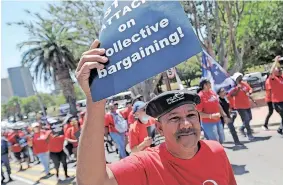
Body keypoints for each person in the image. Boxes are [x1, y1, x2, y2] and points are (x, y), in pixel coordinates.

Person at [75, 40, 237, 185]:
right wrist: (94, 100)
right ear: (159, 128)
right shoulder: (146, 164)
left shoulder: (217, 151)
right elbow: (92, 182)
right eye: (174, 118)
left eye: (191, 115)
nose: (186, 124)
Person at [196, 78, 227, 144]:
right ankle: (217, 152)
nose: (210, 84)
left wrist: (224, 115)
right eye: (209, 83)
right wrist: (211, 116)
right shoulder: (200, 96)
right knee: (214, 141)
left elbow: (218, 104)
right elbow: (198, 113)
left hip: (218, 120)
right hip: (208, 123)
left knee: (222, 139)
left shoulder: (212, 92)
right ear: (205, 85)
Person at [228, 72, 254, 140]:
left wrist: (250, 92)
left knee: (250, 118)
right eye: (239, 77)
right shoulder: (234, 86)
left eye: (241, 77)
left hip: (247, 104)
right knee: (246, 119)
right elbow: (232, 94)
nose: (240, 78)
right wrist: (238, 89)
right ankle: (249, 134)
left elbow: (250, 89)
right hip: (239, 106)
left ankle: (242, 128)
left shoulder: (244, 83)